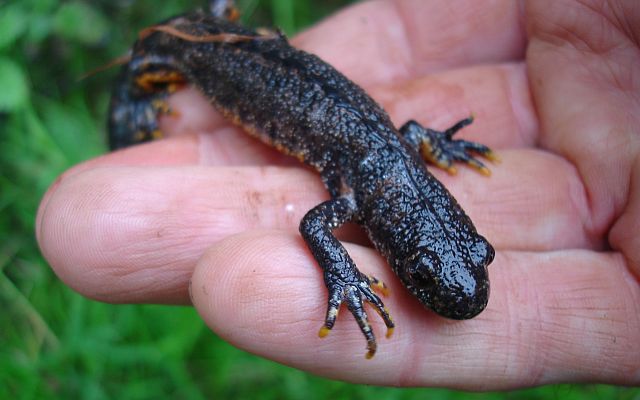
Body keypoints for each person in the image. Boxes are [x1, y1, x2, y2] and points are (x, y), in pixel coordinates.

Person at [36, 0, 639, 388]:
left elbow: (404, 140)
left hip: (263, 65)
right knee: (177, 53)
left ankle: (209, 24)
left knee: (210, 32)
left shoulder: (396, 167)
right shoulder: (365, 188)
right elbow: (315, 225)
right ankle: (155, 77)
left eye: (472, 253)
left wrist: (438, 144)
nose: (458, 279)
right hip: (219, 67)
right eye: (425, 272)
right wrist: (344, 278)